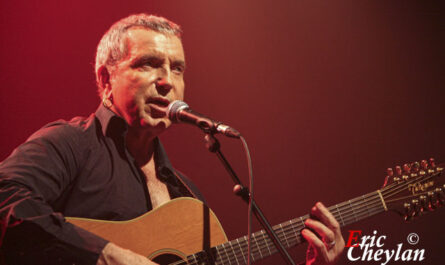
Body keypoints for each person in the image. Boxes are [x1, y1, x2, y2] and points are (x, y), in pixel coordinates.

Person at [0, 14, 344, 265]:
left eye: (177, 69)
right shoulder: (70, 144)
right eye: (149, 64)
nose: (167, 81)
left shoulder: (185, 192)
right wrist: (107, 254)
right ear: (106, 80)